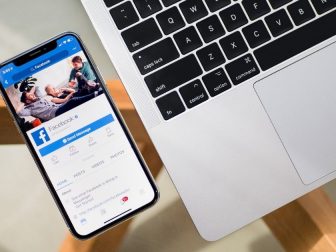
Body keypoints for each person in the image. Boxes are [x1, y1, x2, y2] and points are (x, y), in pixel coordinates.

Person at [17, 86, 102, 121]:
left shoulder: (39, 98)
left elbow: (36, 87)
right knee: (73, 101)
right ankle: (96, 94)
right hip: (54, 114)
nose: (33, 95)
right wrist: (23, 102)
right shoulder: (29, 109)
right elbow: (18, 112)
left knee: (75, 97)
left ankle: (96, 90)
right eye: (30, 96)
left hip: (59, 107)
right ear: (27, 101)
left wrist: (29, 94)